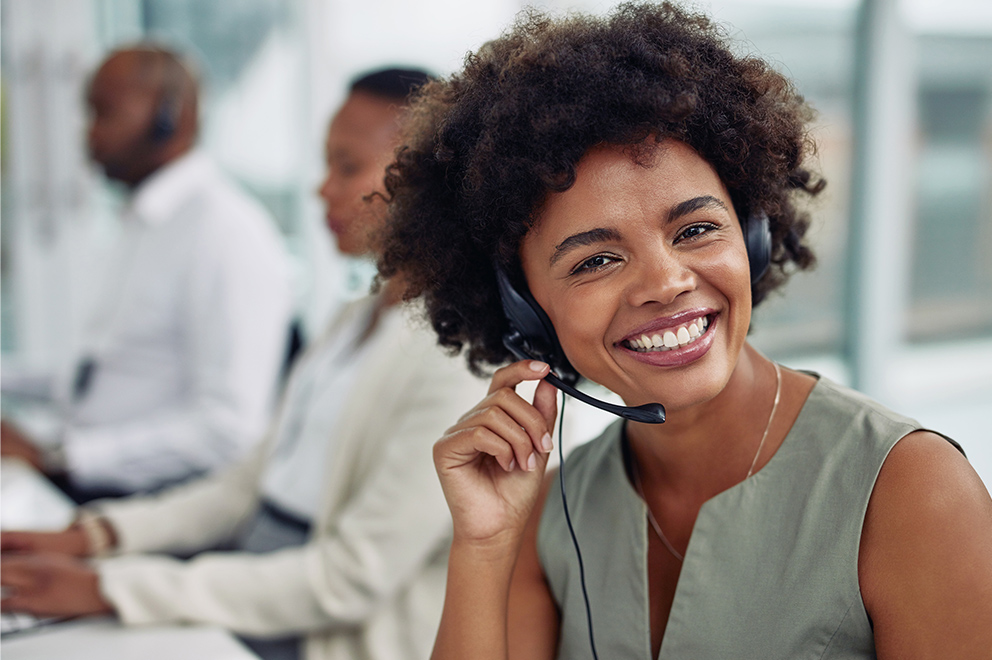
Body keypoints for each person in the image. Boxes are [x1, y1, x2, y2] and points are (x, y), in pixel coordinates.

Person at [375, 4, 992, 659]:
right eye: (596, 260)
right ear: (525, 310)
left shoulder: (911, 489)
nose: (666, 282)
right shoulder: (552, 512)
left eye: (696, 229)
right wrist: (483, 546)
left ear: (751, 237)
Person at [0, 67, 489, 660]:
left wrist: (111, 587)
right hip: (251, 576)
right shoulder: (354, 317)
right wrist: (95, 538)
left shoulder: (458, 359)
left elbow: (349, 577)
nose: (321, 190)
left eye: (346, 166)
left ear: (424, 188)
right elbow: (244, 487)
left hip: (315, 626)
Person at [0, 45, 293, 500]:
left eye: (103, 112)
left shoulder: (224, 231)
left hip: (148, 506)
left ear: (168, 117)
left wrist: (63, 457)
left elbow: (228, 429)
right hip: (84, 477)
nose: (88, 135)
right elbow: (92, 375)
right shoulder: (143, 222)